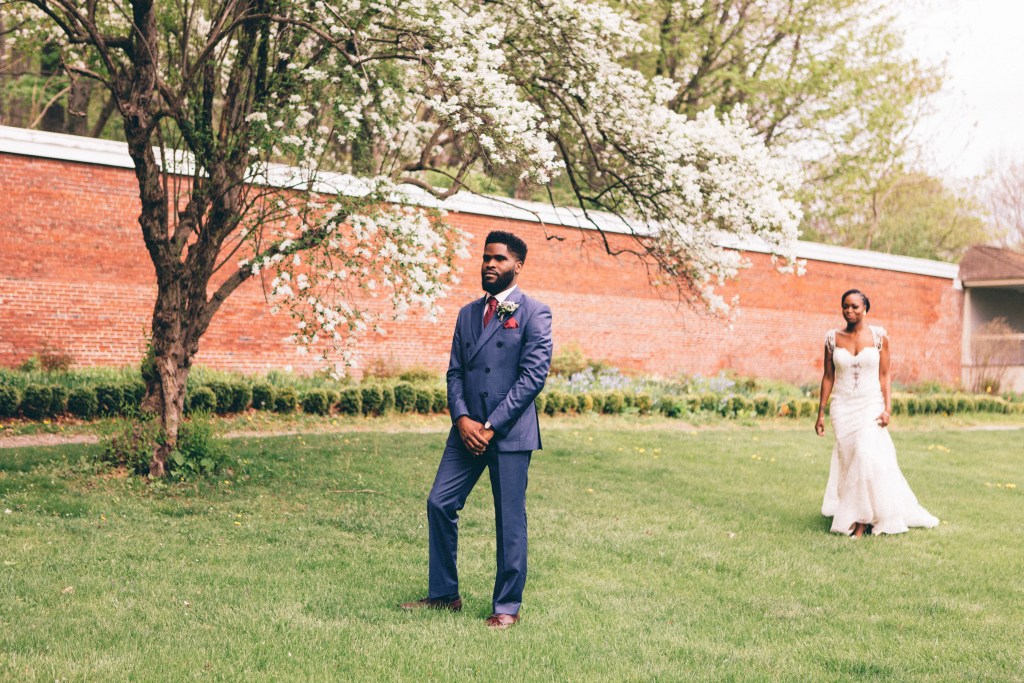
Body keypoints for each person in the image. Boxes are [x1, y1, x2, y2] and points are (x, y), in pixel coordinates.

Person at [400, 230, 552, 629]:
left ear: (518, 265)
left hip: (509, 432)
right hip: (466, 431)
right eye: (486, 258)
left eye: (499, 259)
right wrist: (462, 419)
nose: (490, 264)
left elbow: (532, 377)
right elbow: (455, 372)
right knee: (439, 503)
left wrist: (491, 425)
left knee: (509, 520)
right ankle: (444, 595)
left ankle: (507, 607)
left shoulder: (535, 312)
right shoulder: (467, 313)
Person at [815, 289, 939, 537]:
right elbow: (828, 377)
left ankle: (862, 523)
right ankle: (856, 512)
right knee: (849, 460)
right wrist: (820, 413)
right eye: (845, 306)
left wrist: (887, 408)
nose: (849, 311)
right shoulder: (832, 338)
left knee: (864, 453)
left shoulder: (879, 337)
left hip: (870, 404)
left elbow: (885, 374)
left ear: (865, 309)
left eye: (855, 306)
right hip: (843, 407)